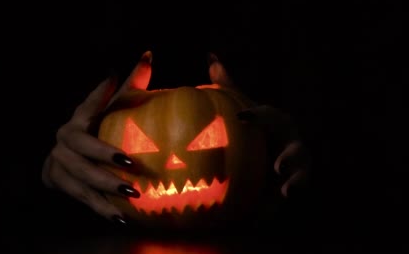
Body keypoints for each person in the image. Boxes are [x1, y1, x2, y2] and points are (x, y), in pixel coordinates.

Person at [41, 50, 311, 226]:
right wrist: (49, 172)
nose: (175, 161)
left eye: (205, 139)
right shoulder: (113, 108)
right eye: (142, 144)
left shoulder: (242, 102)